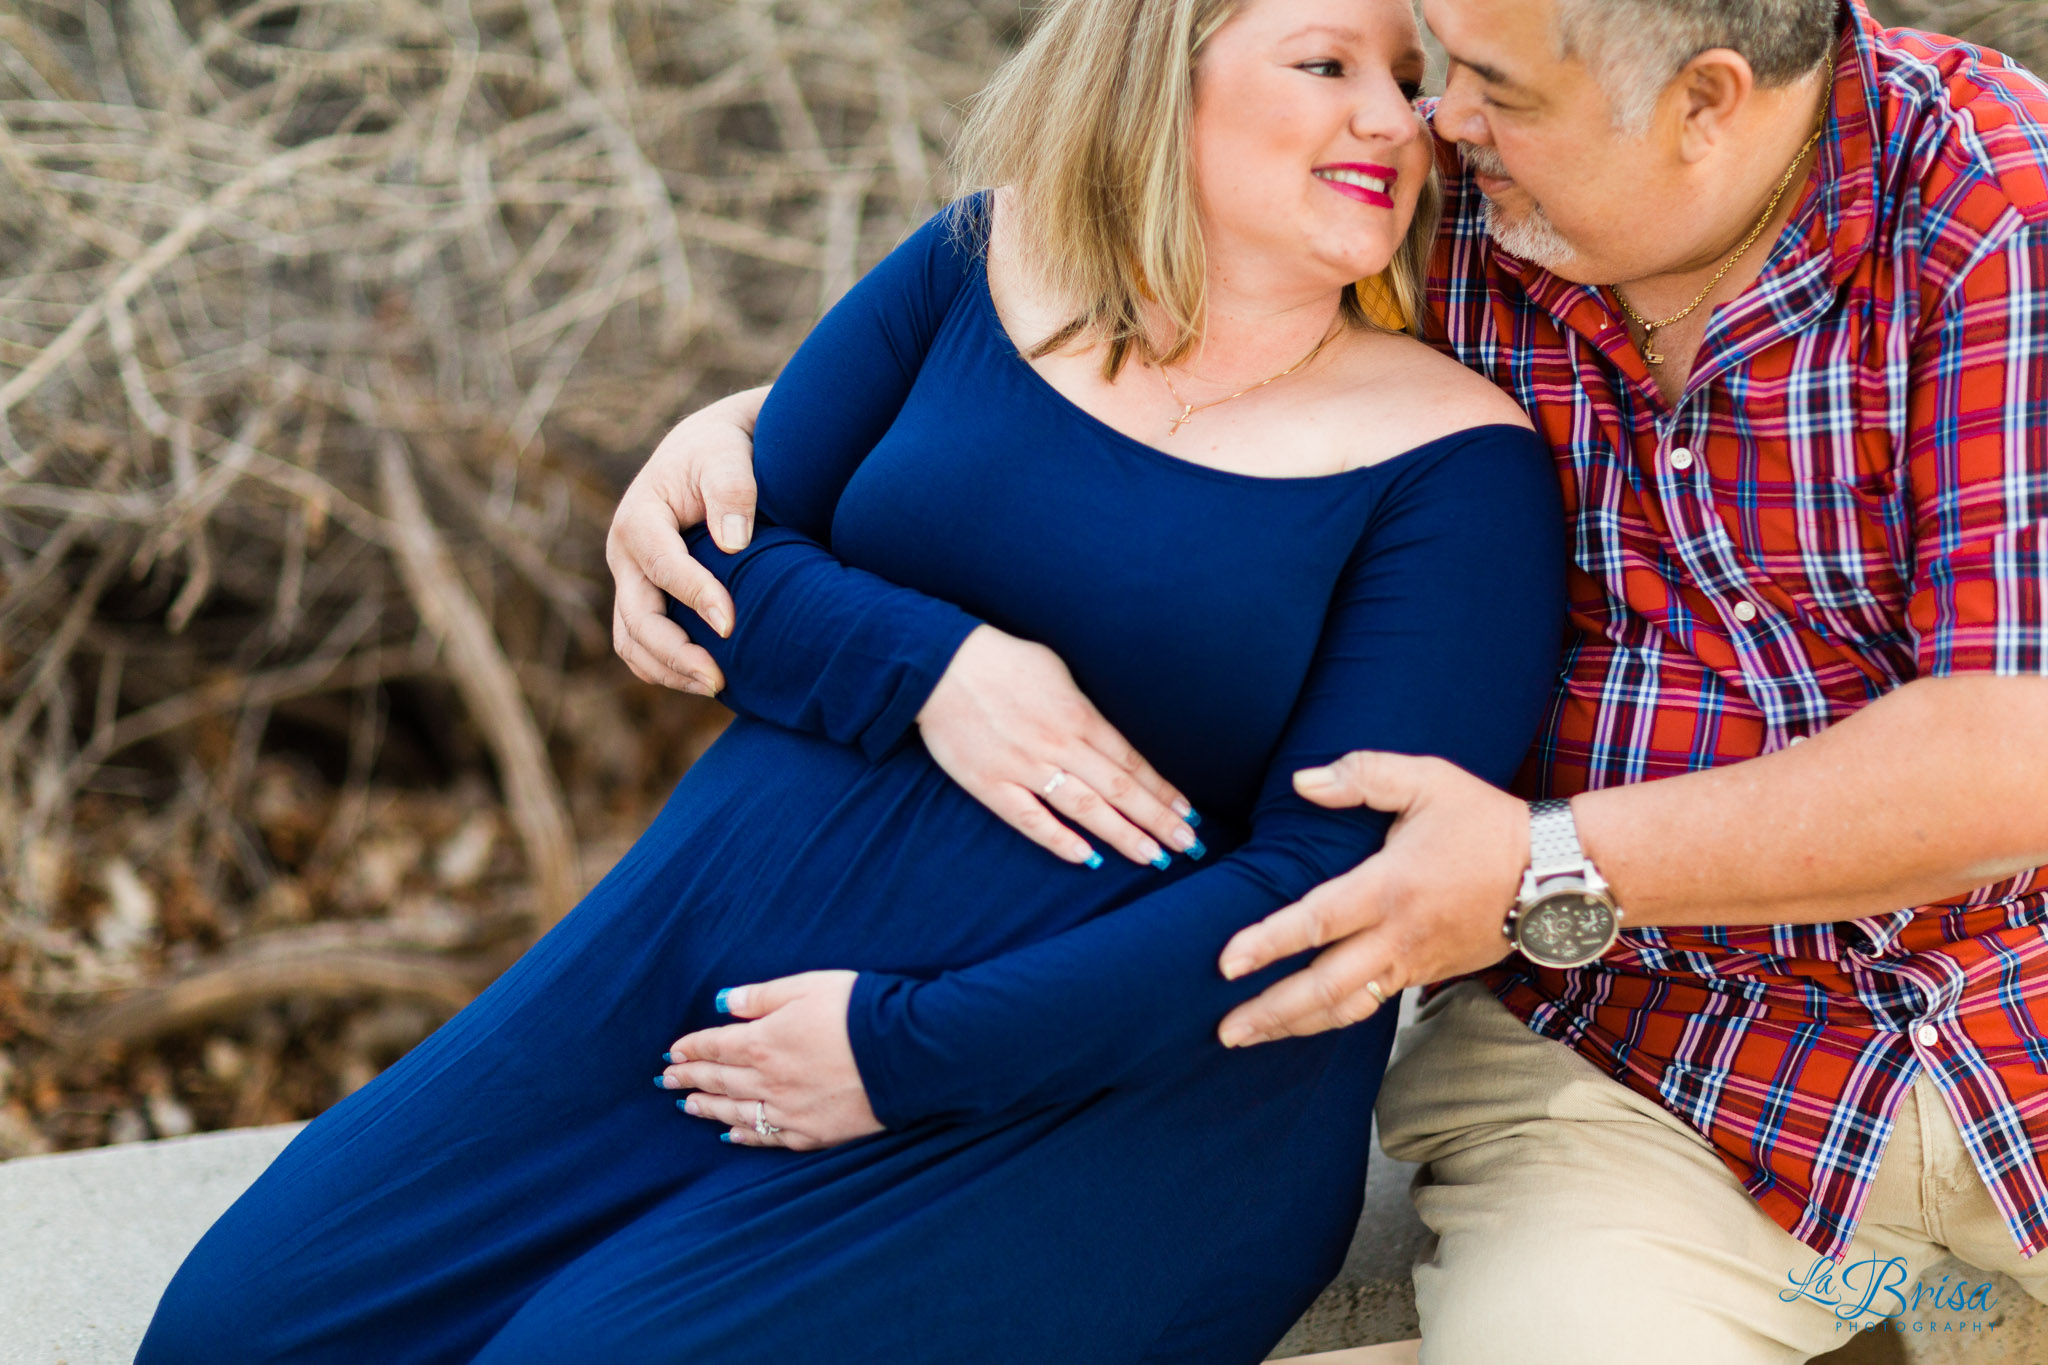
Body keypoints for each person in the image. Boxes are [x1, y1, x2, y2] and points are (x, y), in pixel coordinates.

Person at [611, 0, 2048, 1360]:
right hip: (1655, 1071)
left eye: (1495, 85)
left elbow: (2010, 754)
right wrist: (762, 428)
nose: (1439, 117)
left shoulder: (1994, 210)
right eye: (1443, 58)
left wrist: (1541, 860)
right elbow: (1165, 382)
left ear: (1704, 103)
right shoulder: (1465, 211)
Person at [136, 0, 1565, 1361]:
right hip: (702, 965)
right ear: (1157, 69)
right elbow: (715, 572)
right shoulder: (976, 264)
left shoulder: (1454, 465)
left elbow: (1334, 903)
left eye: (1407, 72)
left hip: (1105, 1096)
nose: (1400, 115)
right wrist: (943, 668)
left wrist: (899, 1050)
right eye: (1330, 65)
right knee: (248, 1328)